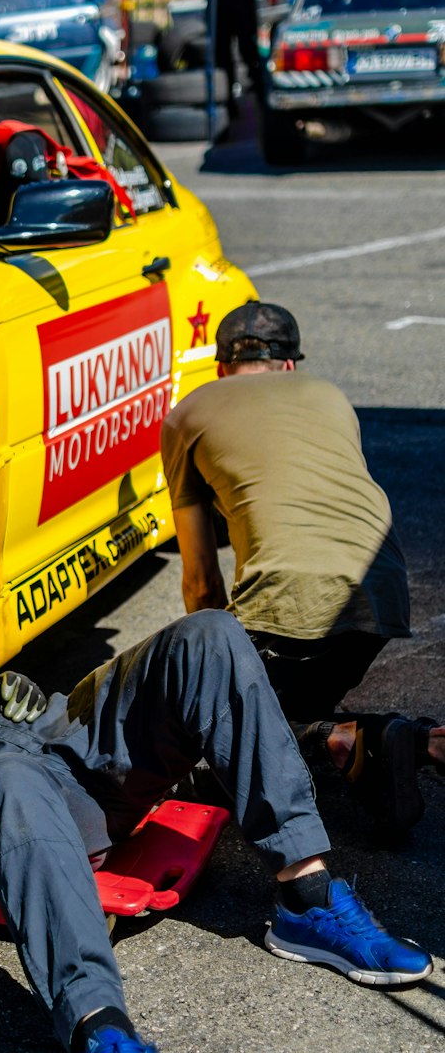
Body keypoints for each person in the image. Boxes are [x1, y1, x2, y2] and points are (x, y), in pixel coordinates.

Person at [0, 614, 432, 1053]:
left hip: (52, 724)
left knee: (209, 635)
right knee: (10, 779)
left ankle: (306, 899)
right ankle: (105, 1035)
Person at [160, 300, 445, 832]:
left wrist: (215, 668)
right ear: (291, 364)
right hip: (381, 596)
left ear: (222, 366)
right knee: (292, 700)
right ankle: (417, 743)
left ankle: (351, 741)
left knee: (211, 725)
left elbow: (200, 578)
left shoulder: (187, 415)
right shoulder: (331, 397)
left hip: (284, 610)